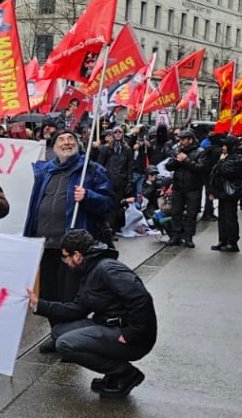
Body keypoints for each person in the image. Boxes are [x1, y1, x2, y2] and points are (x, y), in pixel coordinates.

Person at [26, 229, 157, 398]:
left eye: (65, 256)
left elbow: (142, 299)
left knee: (65, 344)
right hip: (110, 325)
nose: (64, 261)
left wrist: (131, 333)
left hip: (133, 337)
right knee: (59, 332)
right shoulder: (91, 269)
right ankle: (113, 373)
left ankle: (125, 373)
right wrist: (39, 305)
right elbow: (76, 310)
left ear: (77, 255)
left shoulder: (107, 269)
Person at [24, 129, 116, 352]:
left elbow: (109, 202)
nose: (66, 143)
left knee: (70, 297)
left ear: (78, 144)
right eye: (61, 140)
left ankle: (71, 339)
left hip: (72, 248)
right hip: (45, 245)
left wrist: (88, 197)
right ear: (54, 147)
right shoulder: (46, 171)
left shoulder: (90, 170)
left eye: (70, 139)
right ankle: (57, 334)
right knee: (49, 294)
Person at [165, 129, 207, 247]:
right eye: (180, 139)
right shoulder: (177, 150)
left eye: (183, 139)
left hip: (193, 188)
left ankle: (188, 237)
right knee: (175, 212)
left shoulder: (200, 152)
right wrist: (177, 161)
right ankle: (175, 236)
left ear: (190, 140)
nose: (181, 142)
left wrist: (186, 160)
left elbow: (200, 168)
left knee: (191, 214)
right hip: (178, 187)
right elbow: (168, 166)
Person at [209, 136, 242, 252]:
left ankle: (232, 242)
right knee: (222, 217)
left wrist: (221, 162)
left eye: (225, 145)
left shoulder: (237, 159)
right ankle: (223, 240)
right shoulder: (224, 157)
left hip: (231, 193)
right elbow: (214, 172)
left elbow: (225, 171)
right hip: (222, 192)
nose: (223, 148)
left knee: (230, 218)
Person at [97, 126, 134, 233]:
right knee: (108, 204)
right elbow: (100, 165)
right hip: (108, 181)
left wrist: (130, 181)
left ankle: (115, 227)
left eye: (120, 132)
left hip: (121, 181)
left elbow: (130, 166)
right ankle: (108, 228)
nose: (118, 134)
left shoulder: (127, 149)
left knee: (118, 205)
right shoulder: (105, 148)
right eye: (116, 132)